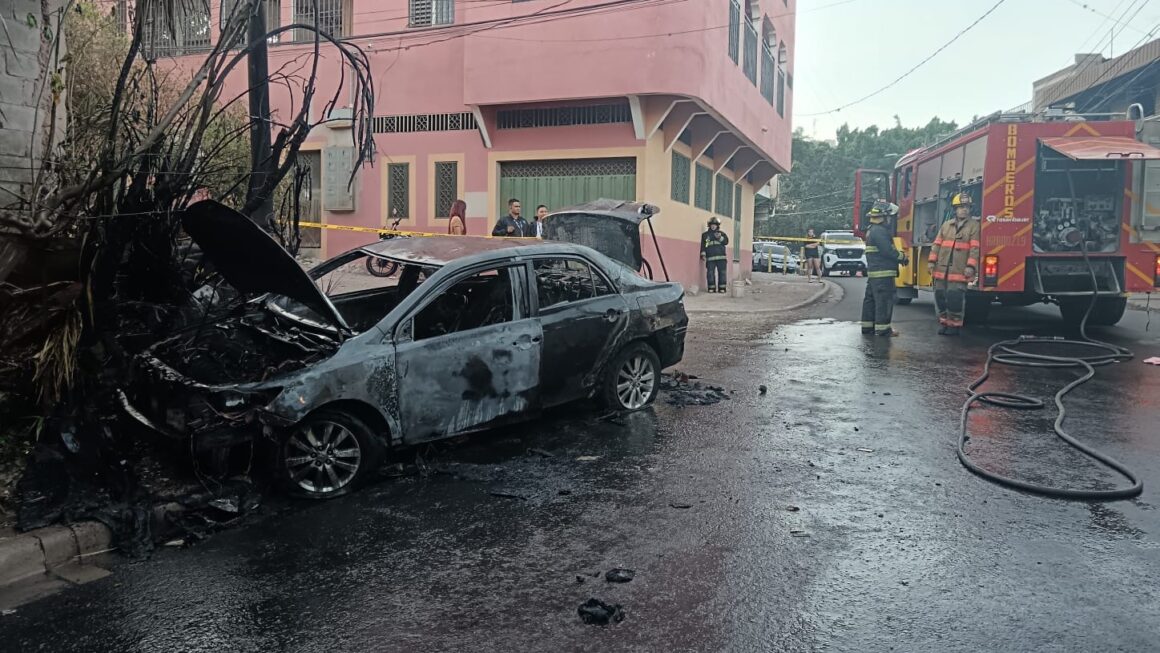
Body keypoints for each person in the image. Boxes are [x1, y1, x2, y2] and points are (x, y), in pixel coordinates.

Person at [928, 192, 981, 335]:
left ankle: (954, 325)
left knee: (955, 297)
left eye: (967, 207)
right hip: (941, 269)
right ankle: (944, 322)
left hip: (959, 270)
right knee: (940, 296)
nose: (965, 209)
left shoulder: (974, 226)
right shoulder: (946, 225)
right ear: (955, 209)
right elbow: (936, 245)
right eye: (961, 207)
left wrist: (970, 267)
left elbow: (975, 249)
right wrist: (931, 262)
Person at [861, 200, 908, 337]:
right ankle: (883, 329)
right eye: (889, 217)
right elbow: (887, 251)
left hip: (875, 273)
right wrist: (902, 257)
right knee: (884, 301)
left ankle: (868, 327)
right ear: (883, 216)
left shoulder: (871, 231)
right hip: (883, 274)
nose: (890, 220)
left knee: (870, 300)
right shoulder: (880, 231)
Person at [700, 216, 730, 293]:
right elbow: (704, 245)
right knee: (710, 273)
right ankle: (711, 288)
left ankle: (722, 288)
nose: (713, 226)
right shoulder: (706, 235)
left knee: (722, 273)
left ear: (717, 226)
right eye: (712, 225)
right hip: (710, 258)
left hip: (721, 258)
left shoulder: (722, 234)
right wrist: (703, 254)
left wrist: (720, 238)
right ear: (709, 225)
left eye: (715, 225)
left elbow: (726, 242)